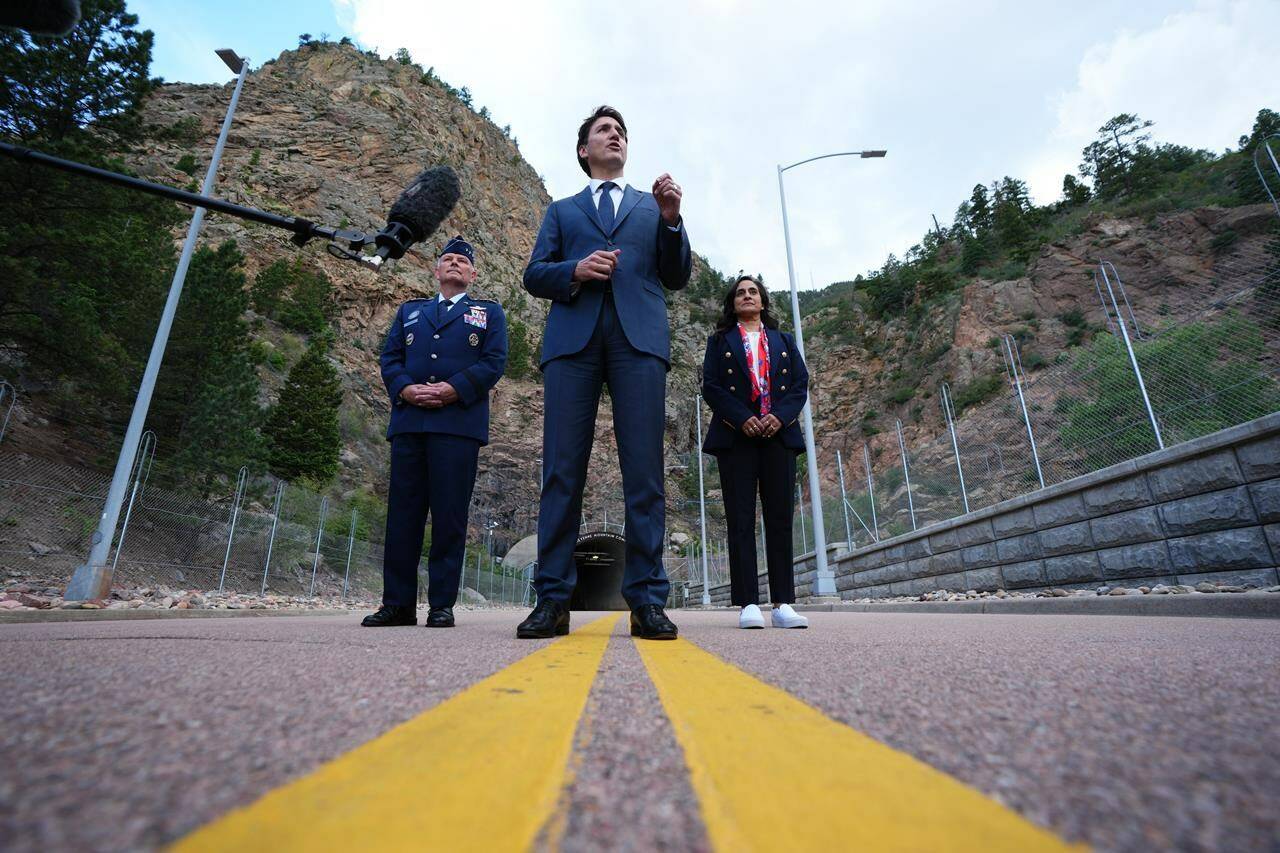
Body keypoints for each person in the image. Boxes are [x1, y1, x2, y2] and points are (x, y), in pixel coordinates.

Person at [518, 105, 692, 640]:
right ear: (583, 150)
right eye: (603, 131)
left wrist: (671, 220)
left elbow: (677, 274)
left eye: (620, 132)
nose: (615, 136)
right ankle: (553, 599)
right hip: (573, 343)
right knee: (561, 472)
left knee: (645, 473)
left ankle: (646, 601)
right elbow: (533, 275)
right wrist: (575, 269)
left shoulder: (650, 206)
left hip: (639, 341)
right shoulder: (562, 211)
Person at [362, 236, 508, 628]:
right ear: (437, 269)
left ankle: (441, 604)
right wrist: (406, 388)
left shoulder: (488, 314)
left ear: (473, 273)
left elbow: (494, 362)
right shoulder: (411, 312)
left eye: (463, 261)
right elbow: (390, 357)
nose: (455, 264)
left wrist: (452, 389)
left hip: (457, 427)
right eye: (449, 259)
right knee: (403, 517)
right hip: (410, 423)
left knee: (449, 517)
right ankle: (397, 604)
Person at [701, 275, 810, 629]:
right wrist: (743, 418)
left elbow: (799, 383)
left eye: (753, 291)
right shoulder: (720, 341)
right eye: (740, 293)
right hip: (737, 437)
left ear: (762, 301)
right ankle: (748, 602)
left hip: (778, 435)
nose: (747, 296)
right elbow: (712, 386)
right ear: (732, 303)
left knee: (779, 518)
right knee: (740, 518)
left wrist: (779, 417)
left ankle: (783, 604)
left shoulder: (784, 340)